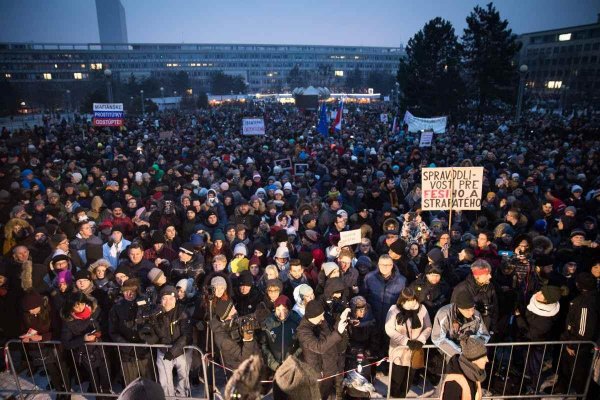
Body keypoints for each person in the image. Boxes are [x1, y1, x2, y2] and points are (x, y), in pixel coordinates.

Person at [139, 285, 192, 398]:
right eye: (164, 298)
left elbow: (186, 335)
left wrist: (173, 352)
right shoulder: (157, 313)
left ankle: (183, 397)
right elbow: (157, 336)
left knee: (184, 378)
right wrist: (149, 332)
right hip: (163, 351)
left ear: (176, 299)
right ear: (160, 300)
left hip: (182, 351)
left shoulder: (182, 312)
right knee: (165, 382)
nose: (168, 302)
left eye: (171, 298)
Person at [20, 291, 71, 400]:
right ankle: (58, 390)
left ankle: (67, 391)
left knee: (62, 369)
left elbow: (57, 331)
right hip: (41, 349)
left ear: (39, 304)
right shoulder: (27, 315)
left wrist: (41, 338)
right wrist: (27, 337)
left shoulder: (50, 312)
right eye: (28, 309)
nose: (30, 311)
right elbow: (25, 329)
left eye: (33, 308)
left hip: (54, 346)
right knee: (51, 370)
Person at [60, 292, 111, 398]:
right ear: (71, 307)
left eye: (82, 303)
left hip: (100, 348)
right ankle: (98, 395)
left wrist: (100, 332)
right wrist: (83, 339)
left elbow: (104, 324)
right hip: (85, 353)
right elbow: (66, 343)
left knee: (105, 372)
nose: (80, 307)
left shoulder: (94, 312)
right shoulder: (68, 322)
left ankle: (107, 393)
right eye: (76, 305)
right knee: (93, 376)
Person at [296, 299, 349, 400]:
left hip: (329, 365)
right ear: (313, 316)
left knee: (329, 394)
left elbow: (330, 335)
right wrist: (338, 333)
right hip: (318, 372)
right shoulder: (303, 331)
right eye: (321, 315)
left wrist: (341, 320)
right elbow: (319, 347)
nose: (323, 317)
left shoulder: (321, 320)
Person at [385, 288, 432, 398]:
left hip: (415, 350)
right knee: (397, 380)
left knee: (408, 381)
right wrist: (406, 341)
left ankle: (403, 396)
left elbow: (428, 327)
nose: (411, 302)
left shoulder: (422, 309)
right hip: (399, 352)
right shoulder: (394, 310)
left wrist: (421, 340)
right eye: (408, 300)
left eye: (413, 299)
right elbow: (389, 329)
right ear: (402, 300)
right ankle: (394, 396)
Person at [108, 278, 155, 385]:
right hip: (126, 353)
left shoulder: (145, 305)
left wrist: (146, 341)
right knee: (130, 384)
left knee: (149, 383)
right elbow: (113, 331)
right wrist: (127, 346)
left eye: (133, 291)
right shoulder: (116, 308)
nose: (129, 294)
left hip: (144, 350)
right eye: (126, 291)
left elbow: (152, 324)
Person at [432, 290, 490, 359]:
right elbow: (437, 338)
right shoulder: (444, 314)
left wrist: (471, 347)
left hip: (471, 354)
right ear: (459, 308)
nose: (471, 312)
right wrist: (459, 353)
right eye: (468, 310)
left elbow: (484, 336)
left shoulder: (476, 315)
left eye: (473, 308)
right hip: (450, 355)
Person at [210, 299, 261, 369]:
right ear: (226, 315)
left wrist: (256, 316)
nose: (235, 309)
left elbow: (241, 321)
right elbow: (244, 358)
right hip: (241, 369)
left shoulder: (230, 321)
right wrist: (248, 339)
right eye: (232, 309)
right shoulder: (224, 340)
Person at [260, 295, 302, 373]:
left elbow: (302, 345)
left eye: (284, 309)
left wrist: (292, 361)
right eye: (278, 309)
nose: (281, 312)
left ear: (289, 309)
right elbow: (264, 346)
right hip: (274, 367)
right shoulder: (268, 322)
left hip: (293, 366)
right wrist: (274, 365)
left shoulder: (296, 321)